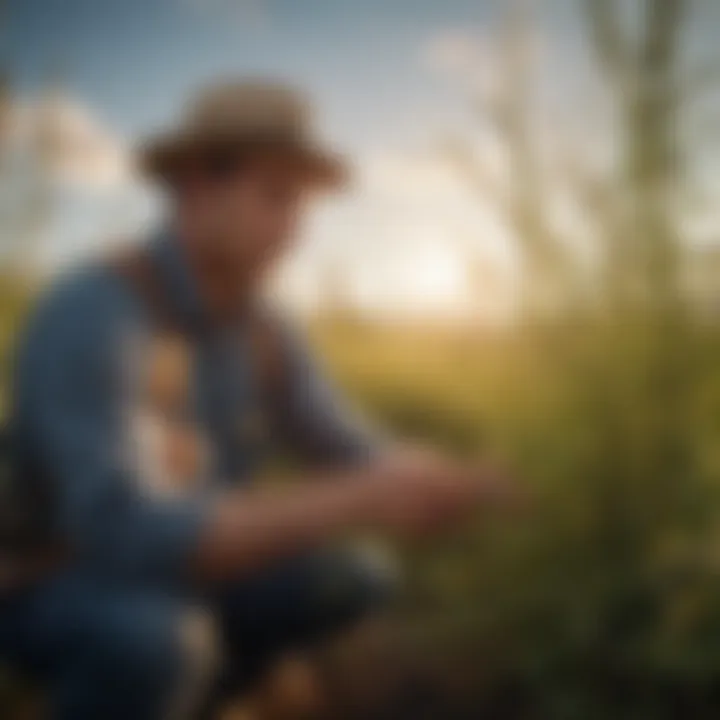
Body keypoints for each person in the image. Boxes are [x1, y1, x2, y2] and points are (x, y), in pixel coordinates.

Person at [0, 79, 515, 720]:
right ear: (193, 189)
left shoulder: (265, 328)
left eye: (300, 205)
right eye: (274, 197)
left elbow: (348, 446)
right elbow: (121, 536)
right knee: (150, 644)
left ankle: (202, 697)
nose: (294, 230)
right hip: (58, 578)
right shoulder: (95, 311)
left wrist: (435, 479)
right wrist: (352, 500)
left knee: (354, 577)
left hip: (188, 570)